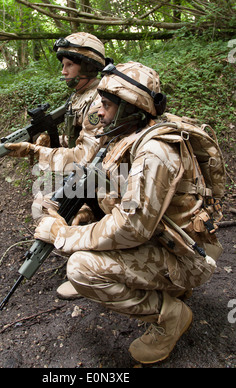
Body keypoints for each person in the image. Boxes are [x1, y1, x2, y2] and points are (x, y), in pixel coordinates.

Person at [33, 61, 225, 364]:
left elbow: (131, 228)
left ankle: (170, 317)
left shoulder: (154, 152)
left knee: (82, 268)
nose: (100, 112)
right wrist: (84, 210)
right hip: (173, 242)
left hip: (189, 258)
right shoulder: (131, 135)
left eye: (107, 106)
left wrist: (63, 234)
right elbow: (117, 196)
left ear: (129, 108)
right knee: (92, 244)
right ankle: (172, 288)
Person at [5, 32, 110, 299]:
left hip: (108, 180)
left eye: (68, 65)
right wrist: (53, 141)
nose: (62, 71)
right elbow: (80, 140)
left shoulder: (98, 100)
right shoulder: (80, 96)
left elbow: (86, 156)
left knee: (50, 204)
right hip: (93, 176)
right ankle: (83, 248)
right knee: (48, 196)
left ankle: (89, 268)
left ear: (86, 66)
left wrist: (35, 150)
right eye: (62, 65)